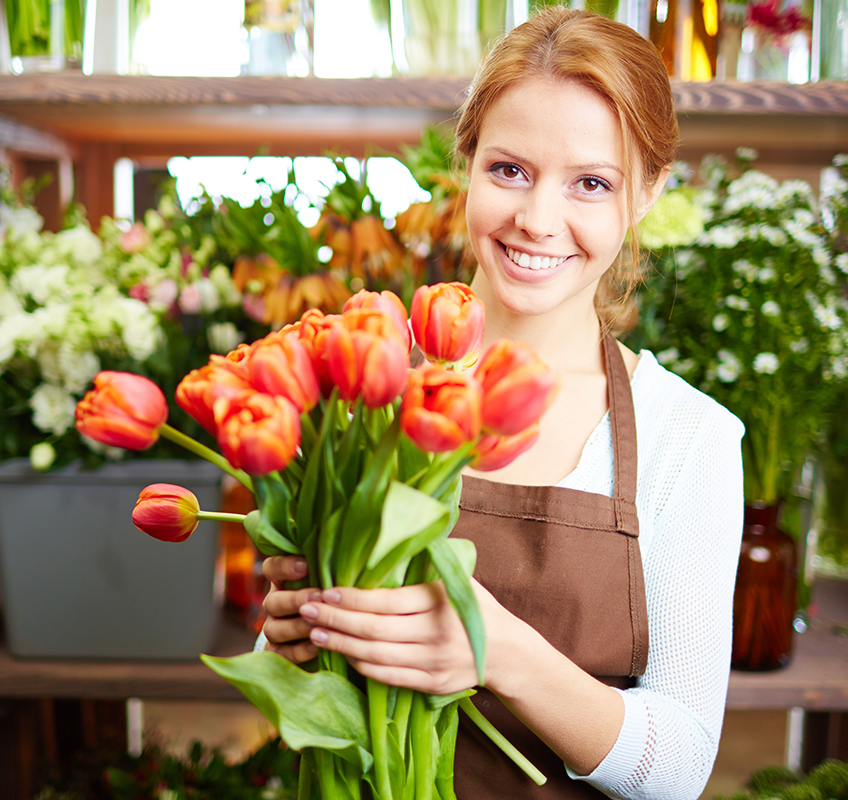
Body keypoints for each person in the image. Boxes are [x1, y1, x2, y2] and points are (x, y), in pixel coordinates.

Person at [259, 8, 745, 799]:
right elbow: (303, 698)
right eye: (510, 170)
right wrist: (293, 632)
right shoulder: (362, 386)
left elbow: (682, 766)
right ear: (467, 160)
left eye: (591, 183)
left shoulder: (686, 440)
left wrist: (495, 653)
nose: (537, 220)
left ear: (648, 192)